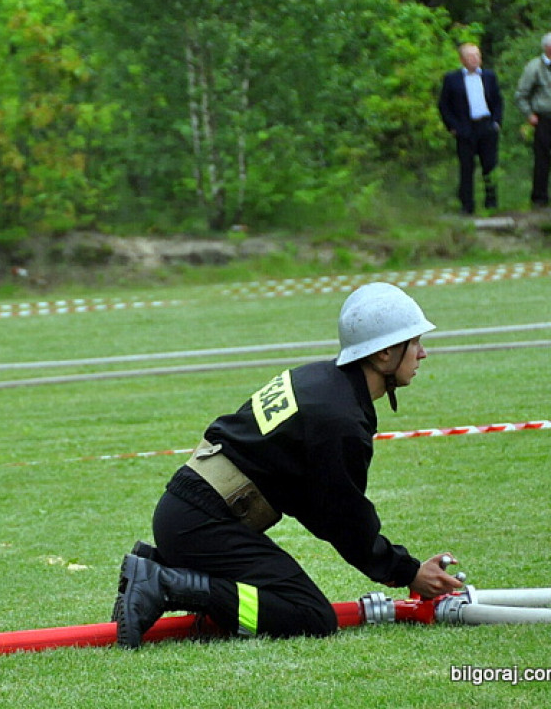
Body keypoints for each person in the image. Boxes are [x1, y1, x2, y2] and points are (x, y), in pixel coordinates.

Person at [112, 282, 463, 648]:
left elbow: (314, 503)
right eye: (415, 342)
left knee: (293, 603)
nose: (422, 353)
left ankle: (158, 572)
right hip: (203, 526)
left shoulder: (320, 381)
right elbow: (342, 517)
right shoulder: (339, 419)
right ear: (385, 353)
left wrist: (397, 566)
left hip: (188, 516)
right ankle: (163, 582)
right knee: (309, 615)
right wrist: (407, 571)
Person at [437, 43, 502, 215]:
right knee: (466, 168)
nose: (475, 59)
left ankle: (492, 204)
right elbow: (444, 106)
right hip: (465, 128)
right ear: (462, 59)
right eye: (471, 56)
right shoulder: (452, 79)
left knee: (490, 165)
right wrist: (453, 127)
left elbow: (497, 101)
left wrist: (496, 122)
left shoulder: (489, 76)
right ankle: (467, 206)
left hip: (487, 126)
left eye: (477, 55)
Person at [514, 32, 551, 210]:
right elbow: (521, 94)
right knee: (542, 159)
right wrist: (529, 114)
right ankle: (539, 198)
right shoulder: (534, 67)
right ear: (547, 48)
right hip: (543, 118)